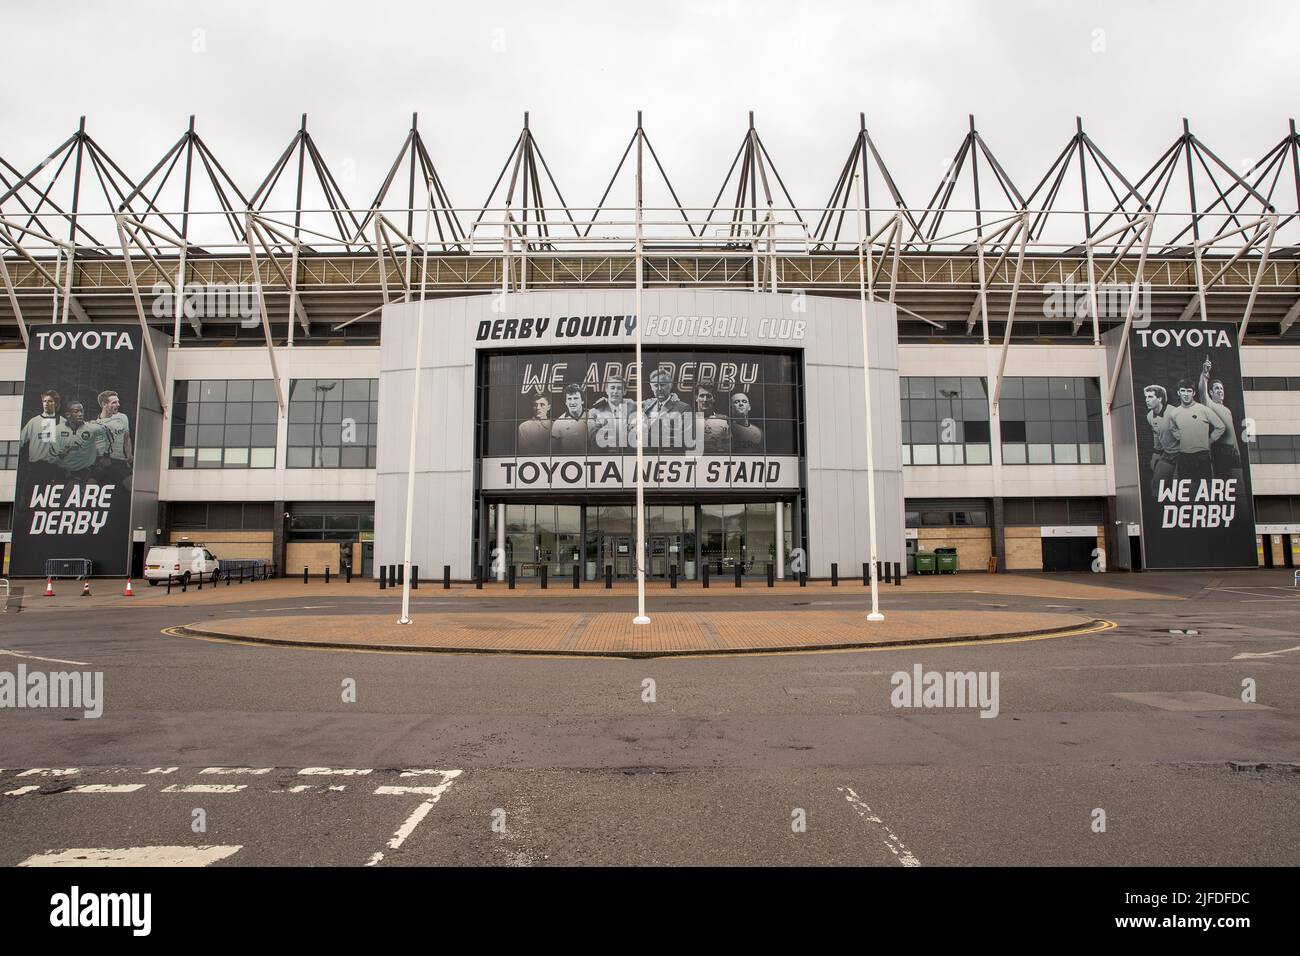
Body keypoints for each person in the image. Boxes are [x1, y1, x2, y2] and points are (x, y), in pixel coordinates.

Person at [1167, 378, 1225, 485]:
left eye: (1189, 391)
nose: (1186, 394)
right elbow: (1172, 428)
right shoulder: (1174, 413)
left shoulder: (1203, 409)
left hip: (1202, 456)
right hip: (1184, 456)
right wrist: (1181, 438)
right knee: (1186, 491)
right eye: (1183, 390)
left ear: (1193, 393)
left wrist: (1209, 441)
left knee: (1205, 490)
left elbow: (1220, 426)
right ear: (1178, 392)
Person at [1197, 356, 1243, 484]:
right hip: (1220, 451)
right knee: (1223, 485)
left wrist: (1237, 450)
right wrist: (1204, 374)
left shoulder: (1227, 410)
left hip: (1234, 452)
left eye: (1221, 388)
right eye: (1217, 388)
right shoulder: (1210, 405)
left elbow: (1232, 432)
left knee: (1238, 486)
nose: (1220, 391)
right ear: (1211, 392)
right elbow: (1202, 392)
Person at [55, 401, 110, 482]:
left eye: (82, 411)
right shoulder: (57, 429)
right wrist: (65, 451)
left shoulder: (94, 428)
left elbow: (105, 452)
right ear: (68, 415)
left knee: (71, 491)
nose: (80, 414)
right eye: (76, 411)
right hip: (62, 472)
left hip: (83, 472)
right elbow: (54, 454)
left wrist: (103, 457)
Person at [19, 389, 65, 483]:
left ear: (55, 404)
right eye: (44, 401)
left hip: (54, 469)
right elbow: (19, 442)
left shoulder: (63, 422)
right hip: (35, 468)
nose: (46, 404)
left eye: (50, 401)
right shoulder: (33, 422)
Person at [641, 368, 690, 452]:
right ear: (651, 387)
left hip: (669, 457)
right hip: (647, 457)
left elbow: (686, 440)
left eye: (663, 384)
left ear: (670, 385)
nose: (659, 388)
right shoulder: (647, 405)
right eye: (656, 385)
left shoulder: (683, 408)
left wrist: (651, 438)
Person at [95, 388, 133, 490]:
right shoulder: (94, 423)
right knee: (89, 486)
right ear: (104, 404)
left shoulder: (123, 418)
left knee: (132, 487)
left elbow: (126, 438)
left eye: (118, 402)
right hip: (101, 461)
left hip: (119, 461)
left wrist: (129, 455)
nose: (118, 405)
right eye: (114, 402)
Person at [1143, 385, 1178, 497]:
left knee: (1178, 486)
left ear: (1160, 399)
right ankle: (1157, 510)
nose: (1147, 400)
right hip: (1167, 454)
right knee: (1156, 484)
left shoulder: (1174, 412)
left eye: (1150, 397)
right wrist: (1155, 454)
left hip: (1183, 454)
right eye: (1146, 397)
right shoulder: (1149, 416)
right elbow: (1156, 435)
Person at [589, 374, 638, 452]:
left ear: (624, 392)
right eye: (612, 388)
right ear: (607, 390)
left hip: (627, 455)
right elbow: (593, 438)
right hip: (604, 455)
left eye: (619, 388)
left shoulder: (632, 407)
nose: (615, 391)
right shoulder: (595, 411)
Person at [550, 384, 589, 455]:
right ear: (566, 402)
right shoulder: (558, 423)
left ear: (582, 401)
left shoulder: (592, 416)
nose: (573, 402)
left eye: (576, 398)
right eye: (569, 399)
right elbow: (554, 453)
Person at [696, 384, 731, 455]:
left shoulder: (723, 420)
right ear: (696, 398)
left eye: (708, 396)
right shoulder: (688, 419)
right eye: (702, 396)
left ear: (714, 398)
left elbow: (727, 449)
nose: (705, 400)